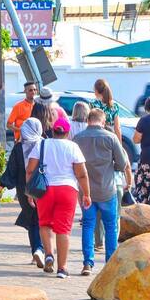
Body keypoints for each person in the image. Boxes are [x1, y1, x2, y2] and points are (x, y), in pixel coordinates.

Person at [26, 117, 91, 279]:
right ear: (68, 133)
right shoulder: (73, 147)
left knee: (44, 224)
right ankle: (62, 268)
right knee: (63, 229)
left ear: (53, 131)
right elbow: (82, 174)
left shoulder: (42, 145)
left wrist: (29, 192)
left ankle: (49, 254)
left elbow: (30, 169)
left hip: (45, 190)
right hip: (67, 190)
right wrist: (87, 194)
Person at [73, 109, 129, 276]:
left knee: (88, 225)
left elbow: (73, 164)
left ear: (88, 120)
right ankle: (109, 265)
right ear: (103, 122)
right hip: (107, 189)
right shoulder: (111, 138)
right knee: (111, 227)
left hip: (86, 191)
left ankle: (87, 263)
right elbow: (122, 163)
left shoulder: (78, 138)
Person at [0, 118, 45, 268]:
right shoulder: (45, 145)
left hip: (24, 190)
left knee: (32, 220)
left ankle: (37, 250)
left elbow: (11, 171)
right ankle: (41, 250)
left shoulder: (18, 148)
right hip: (44, 188)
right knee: (42, 220)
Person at [89, 79, 132, 250]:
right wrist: (118, 146)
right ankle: (111, 243)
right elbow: (118, 128)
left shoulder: (93, 104)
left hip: (97, 141)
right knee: (114, 210)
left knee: (97, 207)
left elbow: (90, 124)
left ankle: (98, 241)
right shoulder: (114, 106)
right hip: (111, 140)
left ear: (96, 90)